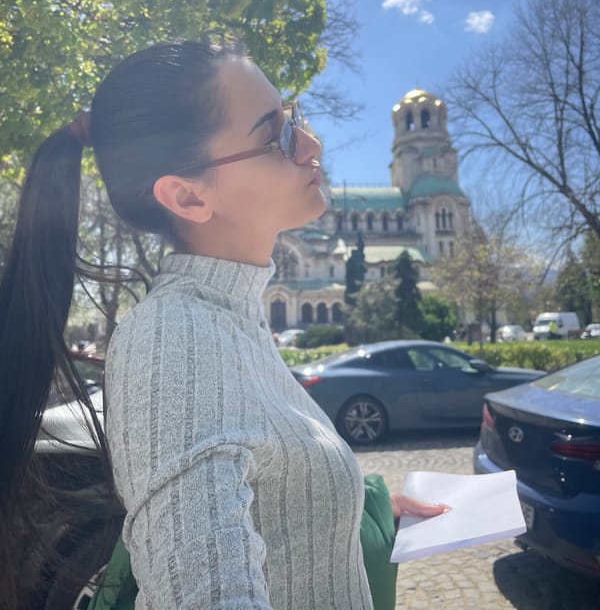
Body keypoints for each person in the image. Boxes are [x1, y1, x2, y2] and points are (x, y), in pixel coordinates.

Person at [0, 37, 445, 609]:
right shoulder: (173, 341)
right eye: (275, 134)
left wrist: (360, 514)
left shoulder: (231, 320)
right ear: (187, 197)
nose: (310, 144)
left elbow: (269, 497)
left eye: (294, 119)